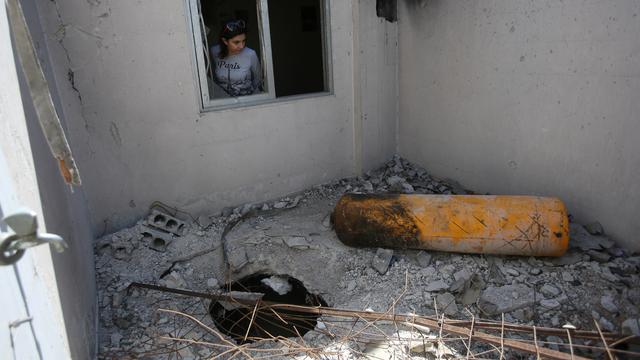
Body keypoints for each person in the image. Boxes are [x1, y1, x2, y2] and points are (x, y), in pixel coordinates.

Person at [210, 20, 262, 97]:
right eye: (236, 42)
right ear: (225, 41)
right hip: (222, 101)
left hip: (246, 99)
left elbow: (258, 78)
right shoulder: (214, 51)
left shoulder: (250, 54)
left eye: (243, 41)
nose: (241, 46)